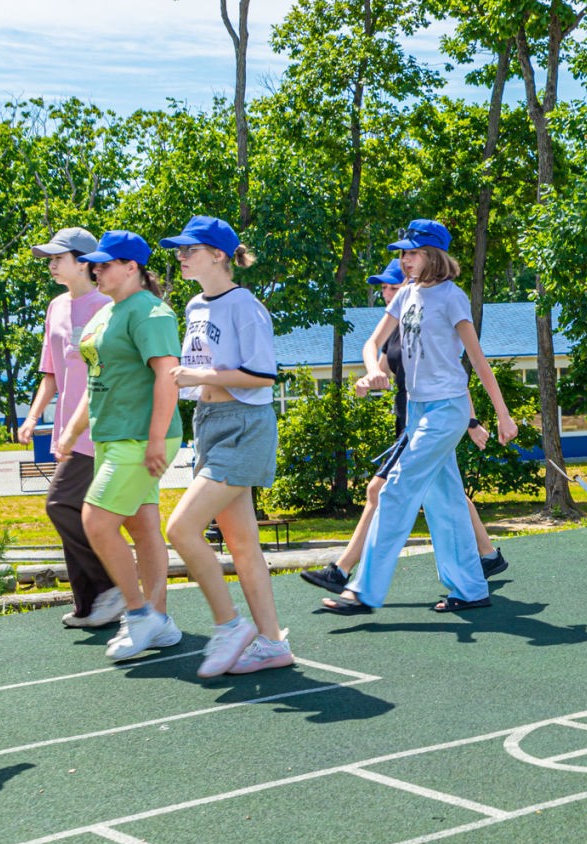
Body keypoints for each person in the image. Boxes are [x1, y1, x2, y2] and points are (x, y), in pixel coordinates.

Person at [320, 220, 517, 615]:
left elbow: (477, 360)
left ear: (433, 256)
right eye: (403, 253)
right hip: (417, 409)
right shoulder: (406, 294)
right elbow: (372, 342)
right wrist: (372, 371)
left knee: (395, 490)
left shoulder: (452, 297)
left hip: (447, 408)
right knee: (445, 501)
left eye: (412, 253)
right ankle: (470, 589)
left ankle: (362, 592)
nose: (404, 260)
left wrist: (502, 415)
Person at [158, 216, 294, 676]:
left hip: (244, 426)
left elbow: (263, 375)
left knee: (180, 528)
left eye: (189, 250)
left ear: (218, 255)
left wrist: (199, 376)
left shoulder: (245, 306)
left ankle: (230, 624)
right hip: (209, 423)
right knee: (242, 544)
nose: (180, 257)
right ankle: (272, 643)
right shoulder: (195, 305)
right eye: (179, 250)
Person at [57, 231, 184, 661]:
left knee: (95, 521)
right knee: (142, 526)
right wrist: (72, 432)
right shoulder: (106, 314)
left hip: (140, 436)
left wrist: (156, 440)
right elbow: (98, 381)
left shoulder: (151, 312)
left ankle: (138, 612)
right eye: (94, 264)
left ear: (132, 267)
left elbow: (168, 376)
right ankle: (159, 620)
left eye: (105, 264)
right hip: (111, 436)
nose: (96, 270)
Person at [18, 226, 124, 629]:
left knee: (60, 504)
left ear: (83, 263)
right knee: (73, 512)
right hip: (65, 430)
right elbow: (50, 372)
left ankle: (114, 586)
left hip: (98, 429)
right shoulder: (56, 307)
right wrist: (33, 418)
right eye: (49, 258)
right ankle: (90, 605)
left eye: (58, 258)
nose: (51, 264)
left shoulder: (107, 305)